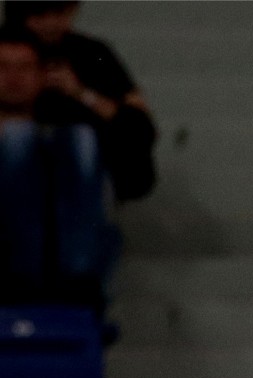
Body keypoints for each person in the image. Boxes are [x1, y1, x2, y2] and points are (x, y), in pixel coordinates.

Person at [0, 21, 118, 320]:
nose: (13, 78)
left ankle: (77, 278)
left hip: (64, 265)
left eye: (24, 68)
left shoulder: (63, 143)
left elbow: (136, 139)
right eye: (2, 67)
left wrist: (81, 94)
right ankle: (21, 278)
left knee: (83, 138)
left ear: (43, 76)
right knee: (17, 137)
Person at [4, 0, 157, 201]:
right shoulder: (6, 50)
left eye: (59, 13)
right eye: (39, 15)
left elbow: (141, 129)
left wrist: (81, 93)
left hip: (87, 184)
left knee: (81, 140)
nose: (50, 24)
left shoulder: (92, 54)